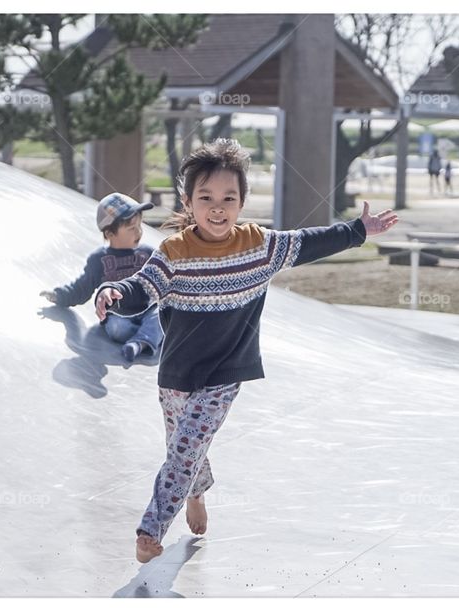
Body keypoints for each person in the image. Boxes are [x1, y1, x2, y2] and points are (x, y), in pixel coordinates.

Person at [93, 139, 399, 563]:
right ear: (189, 201)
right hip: (177, 372)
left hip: (224, 374)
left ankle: (152, 528)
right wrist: (114, 291)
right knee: (183, 447)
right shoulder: (175, 251)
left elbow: (308, 241)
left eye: (228, 198)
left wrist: (357, 230)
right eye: (206, 198)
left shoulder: (259, 246)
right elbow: (141, 290)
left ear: (241, 203)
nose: (217, 208)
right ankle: (196, 492)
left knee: (185, 448)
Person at [41, 193, 163, 362]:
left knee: (162, 315)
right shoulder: (99, 259)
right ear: (110, 233)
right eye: (131, 228)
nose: (139, 232)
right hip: (117, 315)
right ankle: (149, 336)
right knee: (118, 328)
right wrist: (60, 296)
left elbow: (163, 278)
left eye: (139, 225)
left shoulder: (148, 254)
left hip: (147, 309)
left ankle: (139, 344)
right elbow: (82, 287)